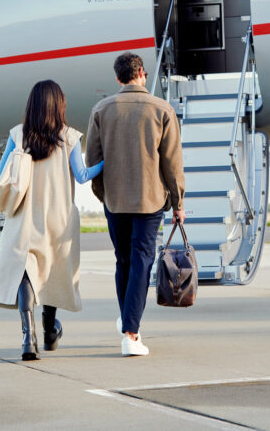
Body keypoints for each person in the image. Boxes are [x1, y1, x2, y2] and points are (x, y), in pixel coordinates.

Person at [0, 80, 103, 360]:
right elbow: (82, 176)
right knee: (53, 272)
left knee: (26, 272)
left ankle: (28, 337)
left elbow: (4, 173)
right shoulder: (70, 136)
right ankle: (50, 330)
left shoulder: (18, 134)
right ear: (59, 105)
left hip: (24, 216)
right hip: (58, 217)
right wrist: (106, 161)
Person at [86, 52, 185, 356]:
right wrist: (177, 201)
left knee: (123, 261)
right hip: (150, 200)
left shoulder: (101, 109)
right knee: (142, 261)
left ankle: (128, 319)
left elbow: (93, 159)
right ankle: (131, 333)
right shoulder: (162, 109)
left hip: (115, 200)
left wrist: (104, 194)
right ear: (142, 73)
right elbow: (171, 163)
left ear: (118, 78)